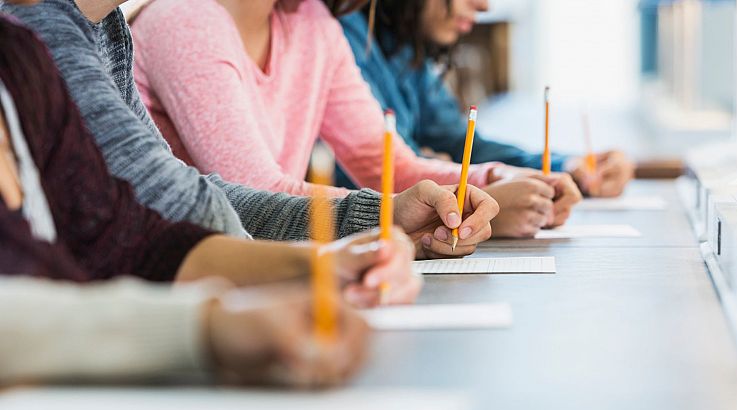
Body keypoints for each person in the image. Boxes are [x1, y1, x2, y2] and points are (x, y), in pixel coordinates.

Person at [0, 8, 367, 389]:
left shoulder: (22, 52)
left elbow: (128, 238)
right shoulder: (54, 29)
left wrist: (324, 264)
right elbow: (181, 208)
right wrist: (207, 327)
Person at [1, 0, 499, 257]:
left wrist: (392, 215)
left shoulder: (103, 28)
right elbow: (183, 209)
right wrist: (365, 233)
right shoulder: (179, 20)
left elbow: (191, 197)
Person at [129, 0, 582, 238]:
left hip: (274, 271)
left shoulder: (312, 22)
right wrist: (432, 213)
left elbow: (388, 164)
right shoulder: (185, 20)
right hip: (199, 276)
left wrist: (498, 180)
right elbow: (255, 198)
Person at [340, 0, 636, 198]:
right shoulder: (338, 30)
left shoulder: (402, 47)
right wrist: (494, 188)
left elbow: (464, 146)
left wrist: (567, 168)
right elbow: (379, 172)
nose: (484, 5)